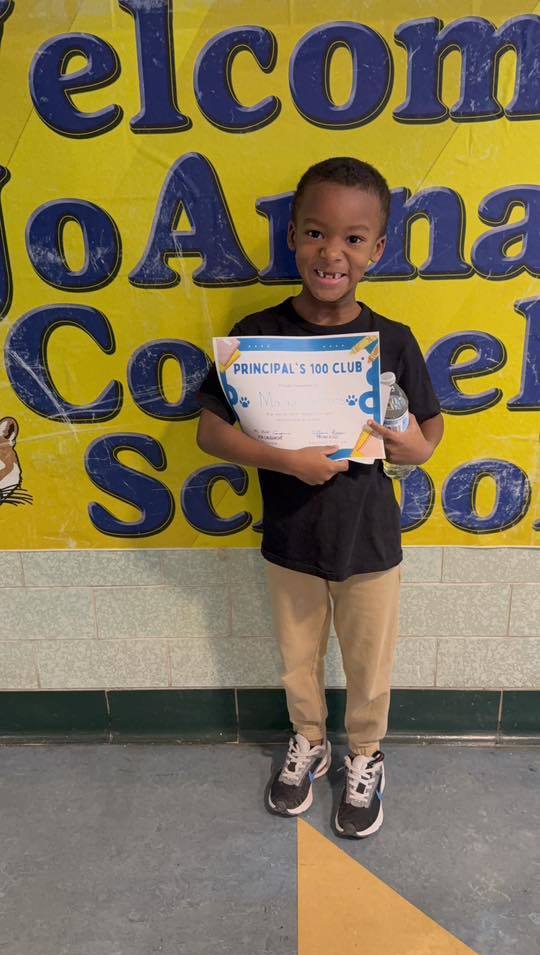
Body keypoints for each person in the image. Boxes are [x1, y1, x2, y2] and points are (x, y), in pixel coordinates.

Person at [196, 157, 444, 838]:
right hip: (290, 538)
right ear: (294, 237)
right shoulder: (258, 335)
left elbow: (427, 432)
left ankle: (364, 754)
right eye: (315, 233)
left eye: (353, 238)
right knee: (296, 660)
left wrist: (411, 448)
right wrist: (285, 462)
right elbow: (211, 431)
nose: (331, 252)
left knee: (369, 666)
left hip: (370, 538)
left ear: (377, 250)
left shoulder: (391, 342)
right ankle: (310, 741)